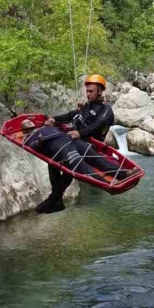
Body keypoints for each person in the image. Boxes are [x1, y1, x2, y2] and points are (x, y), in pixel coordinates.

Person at [34, 74, 122, 214]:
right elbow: (72, 115)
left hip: (91, 145)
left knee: (68, 163)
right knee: (54, 160)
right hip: (76, 142)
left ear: (100, 91)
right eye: (87, 91)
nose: (88, 94)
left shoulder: (106, 110)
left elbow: (97, 125)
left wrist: (80, 133)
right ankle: (55, 199)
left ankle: (54, 199)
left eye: (91, 91)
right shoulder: (87, 106)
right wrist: (54, 119)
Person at [21, 120, 108, 214]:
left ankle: (54, 200)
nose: (29, 123)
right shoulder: (29, 138)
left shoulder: (46, 127)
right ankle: (55, 200)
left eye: (30, 121)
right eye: (26, 123)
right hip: (58, 148)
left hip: (66, 141)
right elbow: (34, 145)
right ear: (24, 131)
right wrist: (40, 142)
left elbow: (64, 127)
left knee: (68, 165)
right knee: (72, 165)